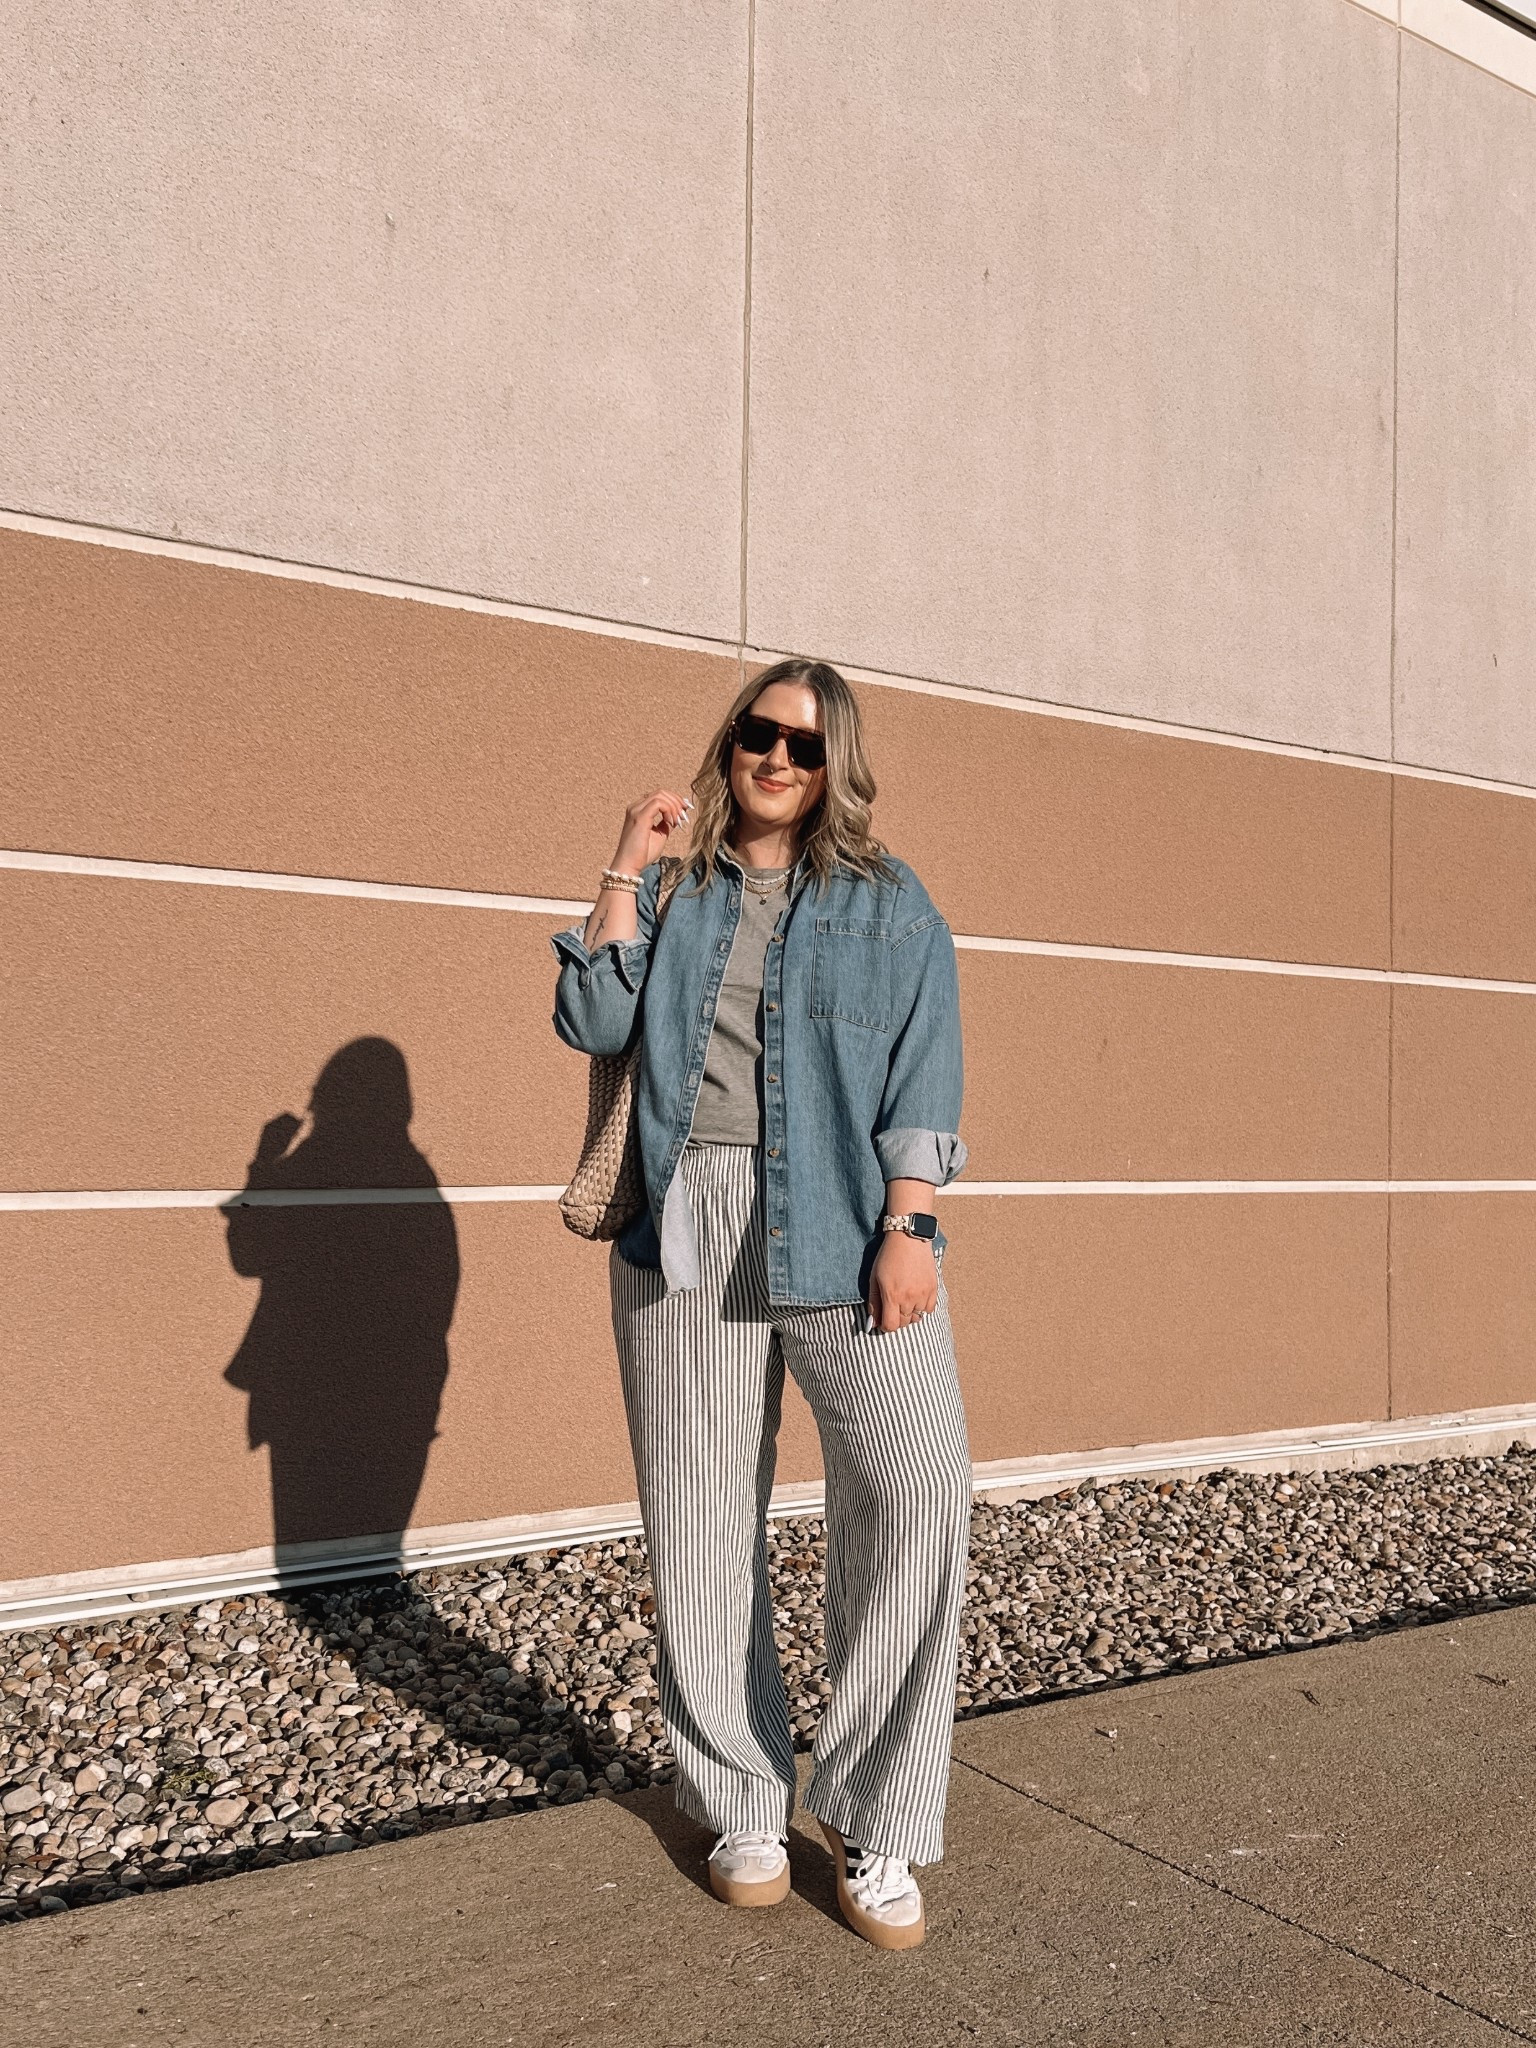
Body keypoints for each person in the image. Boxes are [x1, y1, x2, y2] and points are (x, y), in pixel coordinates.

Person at [549, 657, 971, 1950]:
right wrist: (626, 856)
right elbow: (590, 1009)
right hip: (692, 1224)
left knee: (917, 1488)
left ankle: (874, 1810)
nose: (774, 757)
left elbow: (926, 1068)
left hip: (851, 1226)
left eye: (799, 740)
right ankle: (740, 1796)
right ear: (730, 745)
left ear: (833, 757)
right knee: (700, 1512)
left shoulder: (894, 907)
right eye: (755, 733)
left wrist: (912, 1225)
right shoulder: (676, 893)